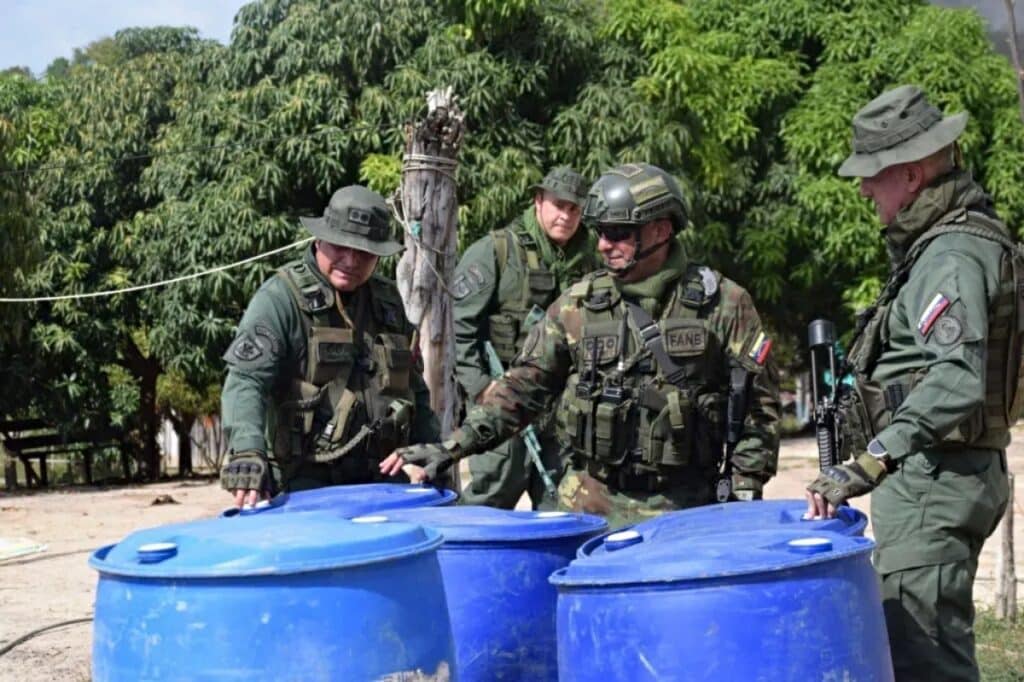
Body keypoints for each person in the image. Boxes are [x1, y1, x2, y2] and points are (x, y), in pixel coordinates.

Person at [383, 163, 781, 527]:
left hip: (686, 506)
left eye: (619, 232)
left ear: (661, 229)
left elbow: (758, 412)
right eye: (601, 232)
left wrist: (743, 493)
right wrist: (452, 447)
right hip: (587, 502)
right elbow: (522, 389)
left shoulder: (724, 303)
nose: (604, 245)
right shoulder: (578, 304)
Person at [805, 85, 1016, 681]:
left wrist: (871, 460)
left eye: (874, 175)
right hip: (938, 476)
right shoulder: (943, 244)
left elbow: (956, 378)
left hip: (934, 481)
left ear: (914, 174)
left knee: (926, 660)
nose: (865, 188)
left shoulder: (950, 254)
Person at [219, 185, 439, 508]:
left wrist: (432, 451)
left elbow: (415, 390)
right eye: (340, 246)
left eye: (364, 252)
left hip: (380, 479)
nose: (350, 260)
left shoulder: (388, 302)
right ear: (319, 239)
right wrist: (248, 450)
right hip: (303, 481)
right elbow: (245, 382)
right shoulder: (280, 299)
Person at [452, 166, 597, 509]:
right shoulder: (497, 251)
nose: (566, 215)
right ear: (538, 201)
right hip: (505, 405)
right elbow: (459, 325)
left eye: (574, 209)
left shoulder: (591, 259)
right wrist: (482, 387)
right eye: (559, 205)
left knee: (560, 508)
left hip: (564, 411)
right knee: (489, 501)